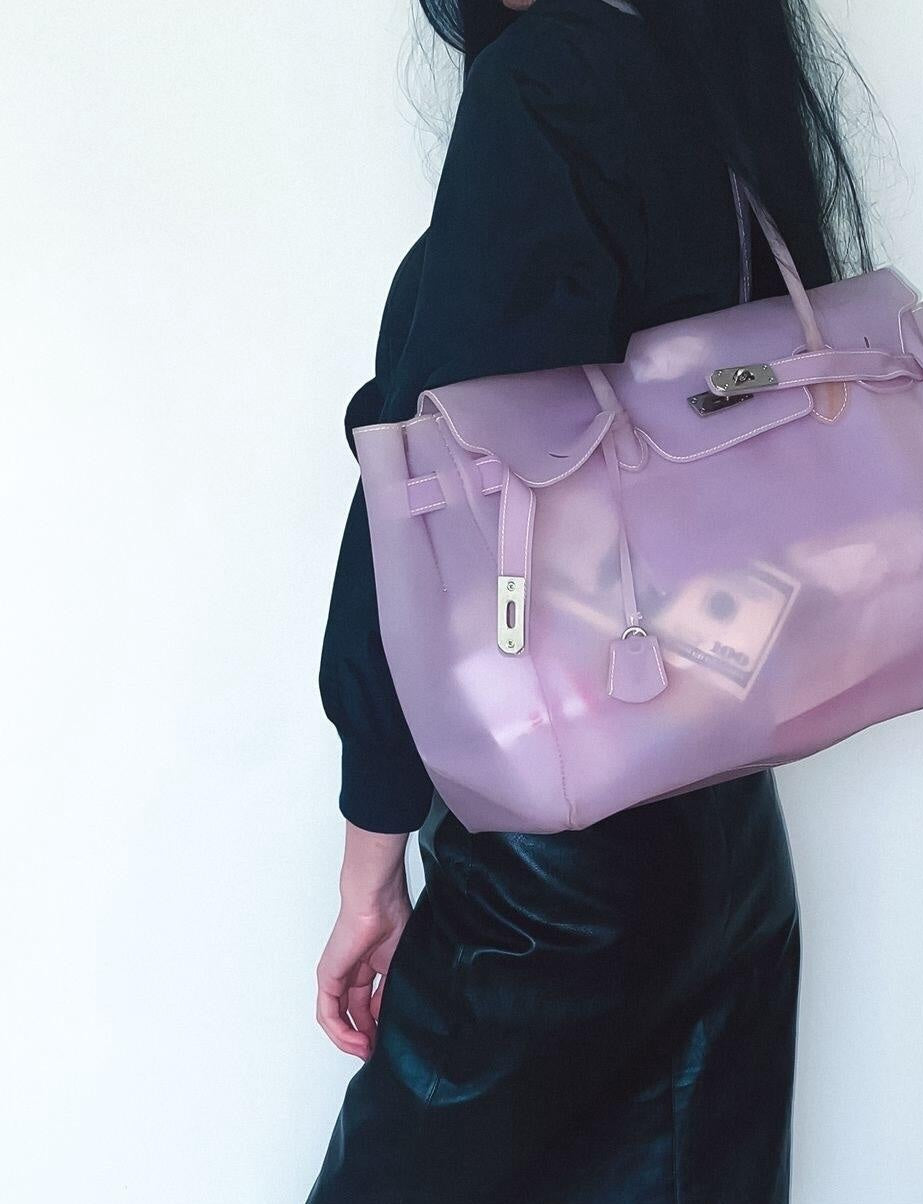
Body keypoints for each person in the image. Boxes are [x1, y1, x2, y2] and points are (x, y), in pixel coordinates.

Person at [307, 1, 872, 1199]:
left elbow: (430, 511)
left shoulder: (551, 76)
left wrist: (369, 856)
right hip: (727, 848)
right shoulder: (720, 73)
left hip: (559, 874)